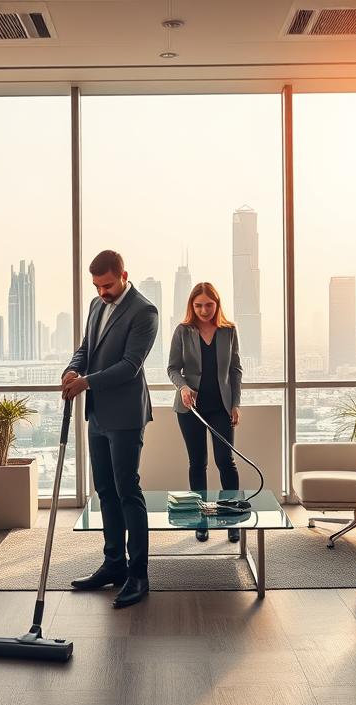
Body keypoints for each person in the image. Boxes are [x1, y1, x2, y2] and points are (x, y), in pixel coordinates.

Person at [62, 250, 158, 609]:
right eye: (97, 286)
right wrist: (73, 369)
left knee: (127, 490)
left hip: (126, 414)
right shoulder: (96, 305)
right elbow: (86, 348)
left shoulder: (144, 311)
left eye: (108, 285)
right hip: (98, 414)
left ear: (123, 275)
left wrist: (86, 382)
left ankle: (139, 575)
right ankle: (114, 564)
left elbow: (130, 366)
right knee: (104, 490)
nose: (102, 292)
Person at [167, 282, 243, 543]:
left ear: (217, 304)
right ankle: (200, 520)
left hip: (221, 407)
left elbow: (235, 369)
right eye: (198, 305)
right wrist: (183, 387)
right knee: (197, 463)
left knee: (226, 462)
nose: (203, 310)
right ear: (192, 305)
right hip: (191, 408)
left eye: (208, 305)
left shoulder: (228, 330)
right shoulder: (183, 331)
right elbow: (173, 368)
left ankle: (231, 518)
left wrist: (235, 403)